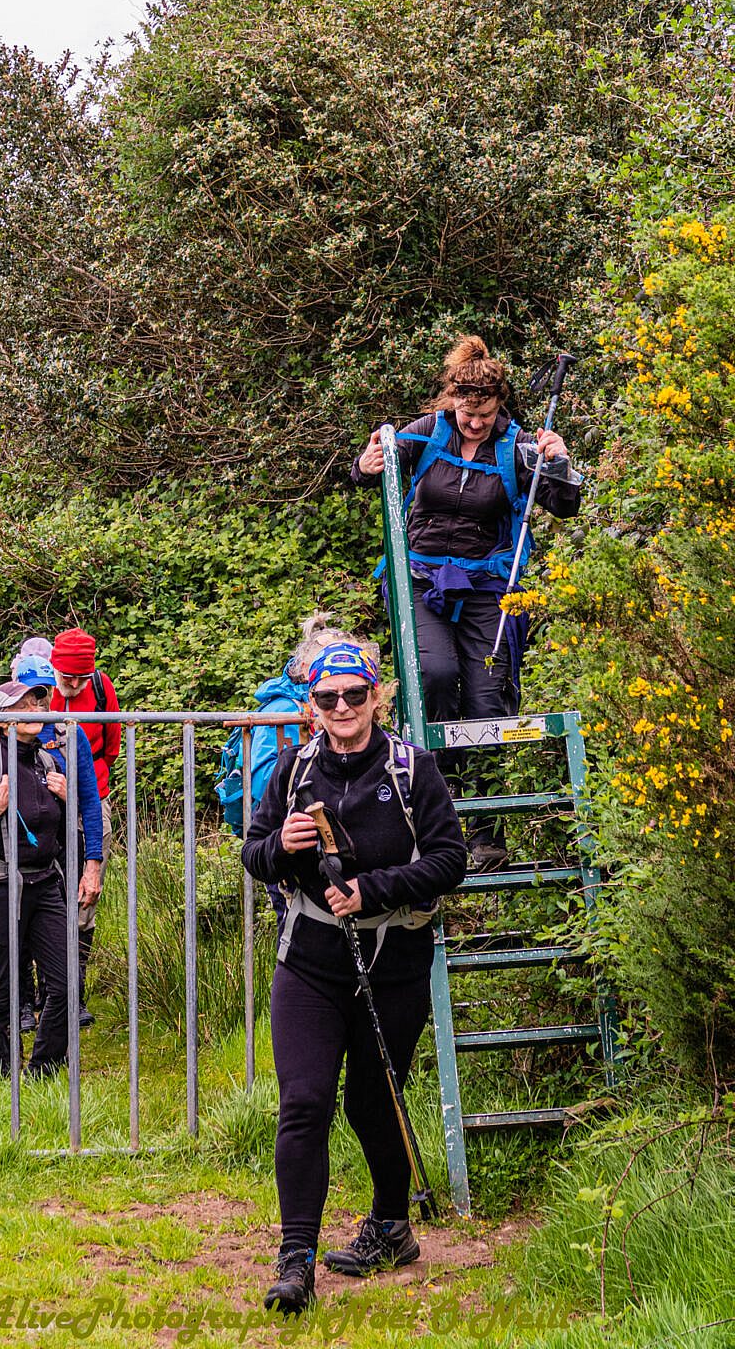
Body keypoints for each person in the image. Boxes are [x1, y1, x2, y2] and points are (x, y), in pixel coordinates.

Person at [241, 643, 466, 1315]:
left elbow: (451, 859)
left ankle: (391, 1226)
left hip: (394, 959)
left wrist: (374, 889)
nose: (342, 708)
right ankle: (295, 1260)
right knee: (303, 1103)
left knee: (372, 1101)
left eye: (355, 695)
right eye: (328, 697)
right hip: (309, 960)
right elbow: (252, 853)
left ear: (377, 697)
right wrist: (279, 847)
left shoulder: (410, 769)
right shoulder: (293, 768)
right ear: (311, 704)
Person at [352, 335, 581, 870]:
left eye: (485, 414)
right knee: (432, 676)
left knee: (487, 697)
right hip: (421, 580)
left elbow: (564, 504)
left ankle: (486, 829)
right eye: (465, 413)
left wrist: (560, 461)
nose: (473, 424)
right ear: (451, 402)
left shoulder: (520, 446)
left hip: (489, 588)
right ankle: (439, 812)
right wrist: (367, 464)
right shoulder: (425, 434)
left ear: (500, 406)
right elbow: (372, 469)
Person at [0, 679, 100, 1078]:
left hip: (44, 885)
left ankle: (43, 1072)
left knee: (67, 983)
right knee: (1, 991)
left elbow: (63, 831)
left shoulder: (48, 763)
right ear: (2, 720)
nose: (36, 709)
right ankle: (0, 1078)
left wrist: (68, 800)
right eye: (24, 704)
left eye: (38, 702)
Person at [216, 612, 361, 937]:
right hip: (294, 843)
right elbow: (266, 785)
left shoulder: (348, 709)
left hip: (339, 840)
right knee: (299, 933)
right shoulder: (279, 713)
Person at [11, 650, 104, 1033]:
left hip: (64, 848)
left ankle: (65, 1000)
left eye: (44, 693)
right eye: (29, 695)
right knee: (16, 927)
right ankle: (20, 1003)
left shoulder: (70, 732)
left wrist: (92, 865)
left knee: (64, 925)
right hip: (14, 851)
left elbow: (91, 803)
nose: (38, 703)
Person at [45, 629, 120, 1026]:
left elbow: (110, 747)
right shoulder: (40, 692)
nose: (72, 686)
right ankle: (43, 993)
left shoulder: (102, 688)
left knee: (86, 893)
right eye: (66, 678)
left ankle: (76, 994)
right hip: (45, 802)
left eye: (80, 679)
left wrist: (83, 787)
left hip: (94, 799)